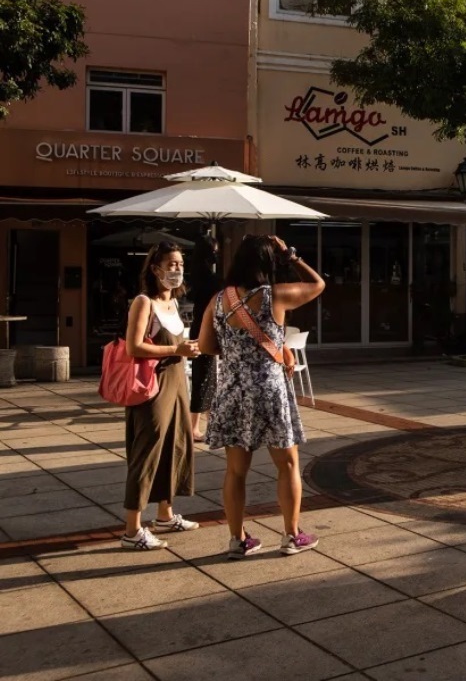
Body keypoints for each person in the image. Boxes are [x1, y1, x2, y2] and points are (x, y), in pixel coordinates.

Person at [198, 234, 325, 559]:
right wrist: (291, 254)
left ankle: (237, 540)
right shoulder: (274, 296)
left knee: (235, 471)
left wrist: (239, 350)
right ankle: (292, 535)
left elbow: (206, 346)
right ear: (269, 263)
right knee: (287, 464)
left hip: (232, 391)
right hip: (268, 391)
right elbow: (317, 284)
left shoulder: (218, 300)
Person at [121, 242, 201, 551]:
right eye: (171, 264)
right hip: (153, 386)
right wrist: (175, 349)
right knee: (148, 451)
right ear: (155, 269)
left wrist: (187, 348)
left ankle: (165, 515)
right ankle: (132, 529)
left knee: (175, 445)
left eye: (180, 264)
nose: (177, 270)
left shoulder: (173, 304)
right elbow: (133, 347)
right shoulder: (144, 302)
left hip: (178, 381)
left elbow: (176, 343)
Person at [187, 233, 221, 442]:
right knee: (204, 378)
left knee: (208, 377)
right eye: (215, 252)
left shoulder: (196, 275)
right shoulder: (210, 279)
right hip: (206, 330)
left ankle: (211, 421)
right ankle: (193, 427)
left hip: (198, 328)